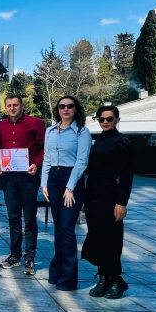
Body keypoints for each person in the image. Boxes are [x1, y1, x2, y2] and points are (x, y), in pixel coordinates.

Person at [82, 105, 134, 299]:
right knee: (97, 237)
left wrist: (122, 202)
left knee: (111, 238)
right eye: (101, 119)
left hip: (111, 197)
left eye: (109, 119)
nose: (105, 122)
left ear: (117, 120)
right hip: (93, 196)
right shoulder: (97, 140)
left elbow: (126, 175)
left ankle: (116, 279)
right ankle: (104, 277)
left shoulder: (122, 141)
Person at [0, 94, 45, 275]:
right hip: (9, 178)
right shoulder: (1, 125)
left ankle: (30, 257)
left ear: (21, 105)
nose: (12, 108)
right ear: (6, 107)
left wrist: (36, 164)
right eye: (9, 105)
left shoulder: (35, 123)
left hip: (28, 177)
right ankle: (15, 255)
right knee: (13, 216)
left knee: (29, 218)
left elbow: (44, 147)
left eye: (15, 105)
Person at [41, 96, 91, 291]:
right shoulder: (50, 131)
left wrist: (70, 187)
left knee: (67, 228)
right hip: (53, 179)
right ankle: (57, 271)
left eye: (70, 106)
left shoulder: (82, 131)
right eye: (62, 106)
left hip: (72, 180)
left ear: (76, 109)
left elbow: (82, 161)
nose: (66, 109)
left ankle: (69, 278)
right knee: (58, 228)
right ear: (58, 110)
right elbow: (47, 158)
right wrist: (44, 183)